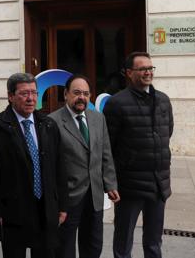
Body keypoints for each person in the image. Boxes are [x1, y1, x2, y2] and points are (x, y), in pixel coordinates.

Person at [103, 52, 173, 258]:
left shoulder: (163, 100)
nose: (148, 72)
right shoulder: (116, 103)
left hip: (159, 184)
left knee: (153, 243)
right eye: (143, 69)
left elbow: (167, 132)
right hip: (129, 186)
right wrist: (111, 183)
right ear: (129, 73)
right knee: (123, 243)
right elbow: (108, 146)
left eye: (150, 68)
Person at [0, 72, 67, 258]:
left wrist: (62, 205)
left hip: (45, 207)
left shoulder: (48, 125)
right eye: (24, 93)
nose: (31, 98)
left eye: (34, 92)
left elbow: (59, 167)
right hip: (14, 212)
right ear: (11, 96)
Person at [49, 74, 120, 258]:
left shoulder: (98, 118)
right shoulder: (52, 122)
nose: (82, 97)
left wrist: (110, 183)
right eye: (77, 92)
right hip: (68, 196)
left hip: (94, 194)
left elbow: (105, 153)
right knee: (64, 248)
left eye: (86, 93)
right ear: (66, 94)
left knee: (93, 244)